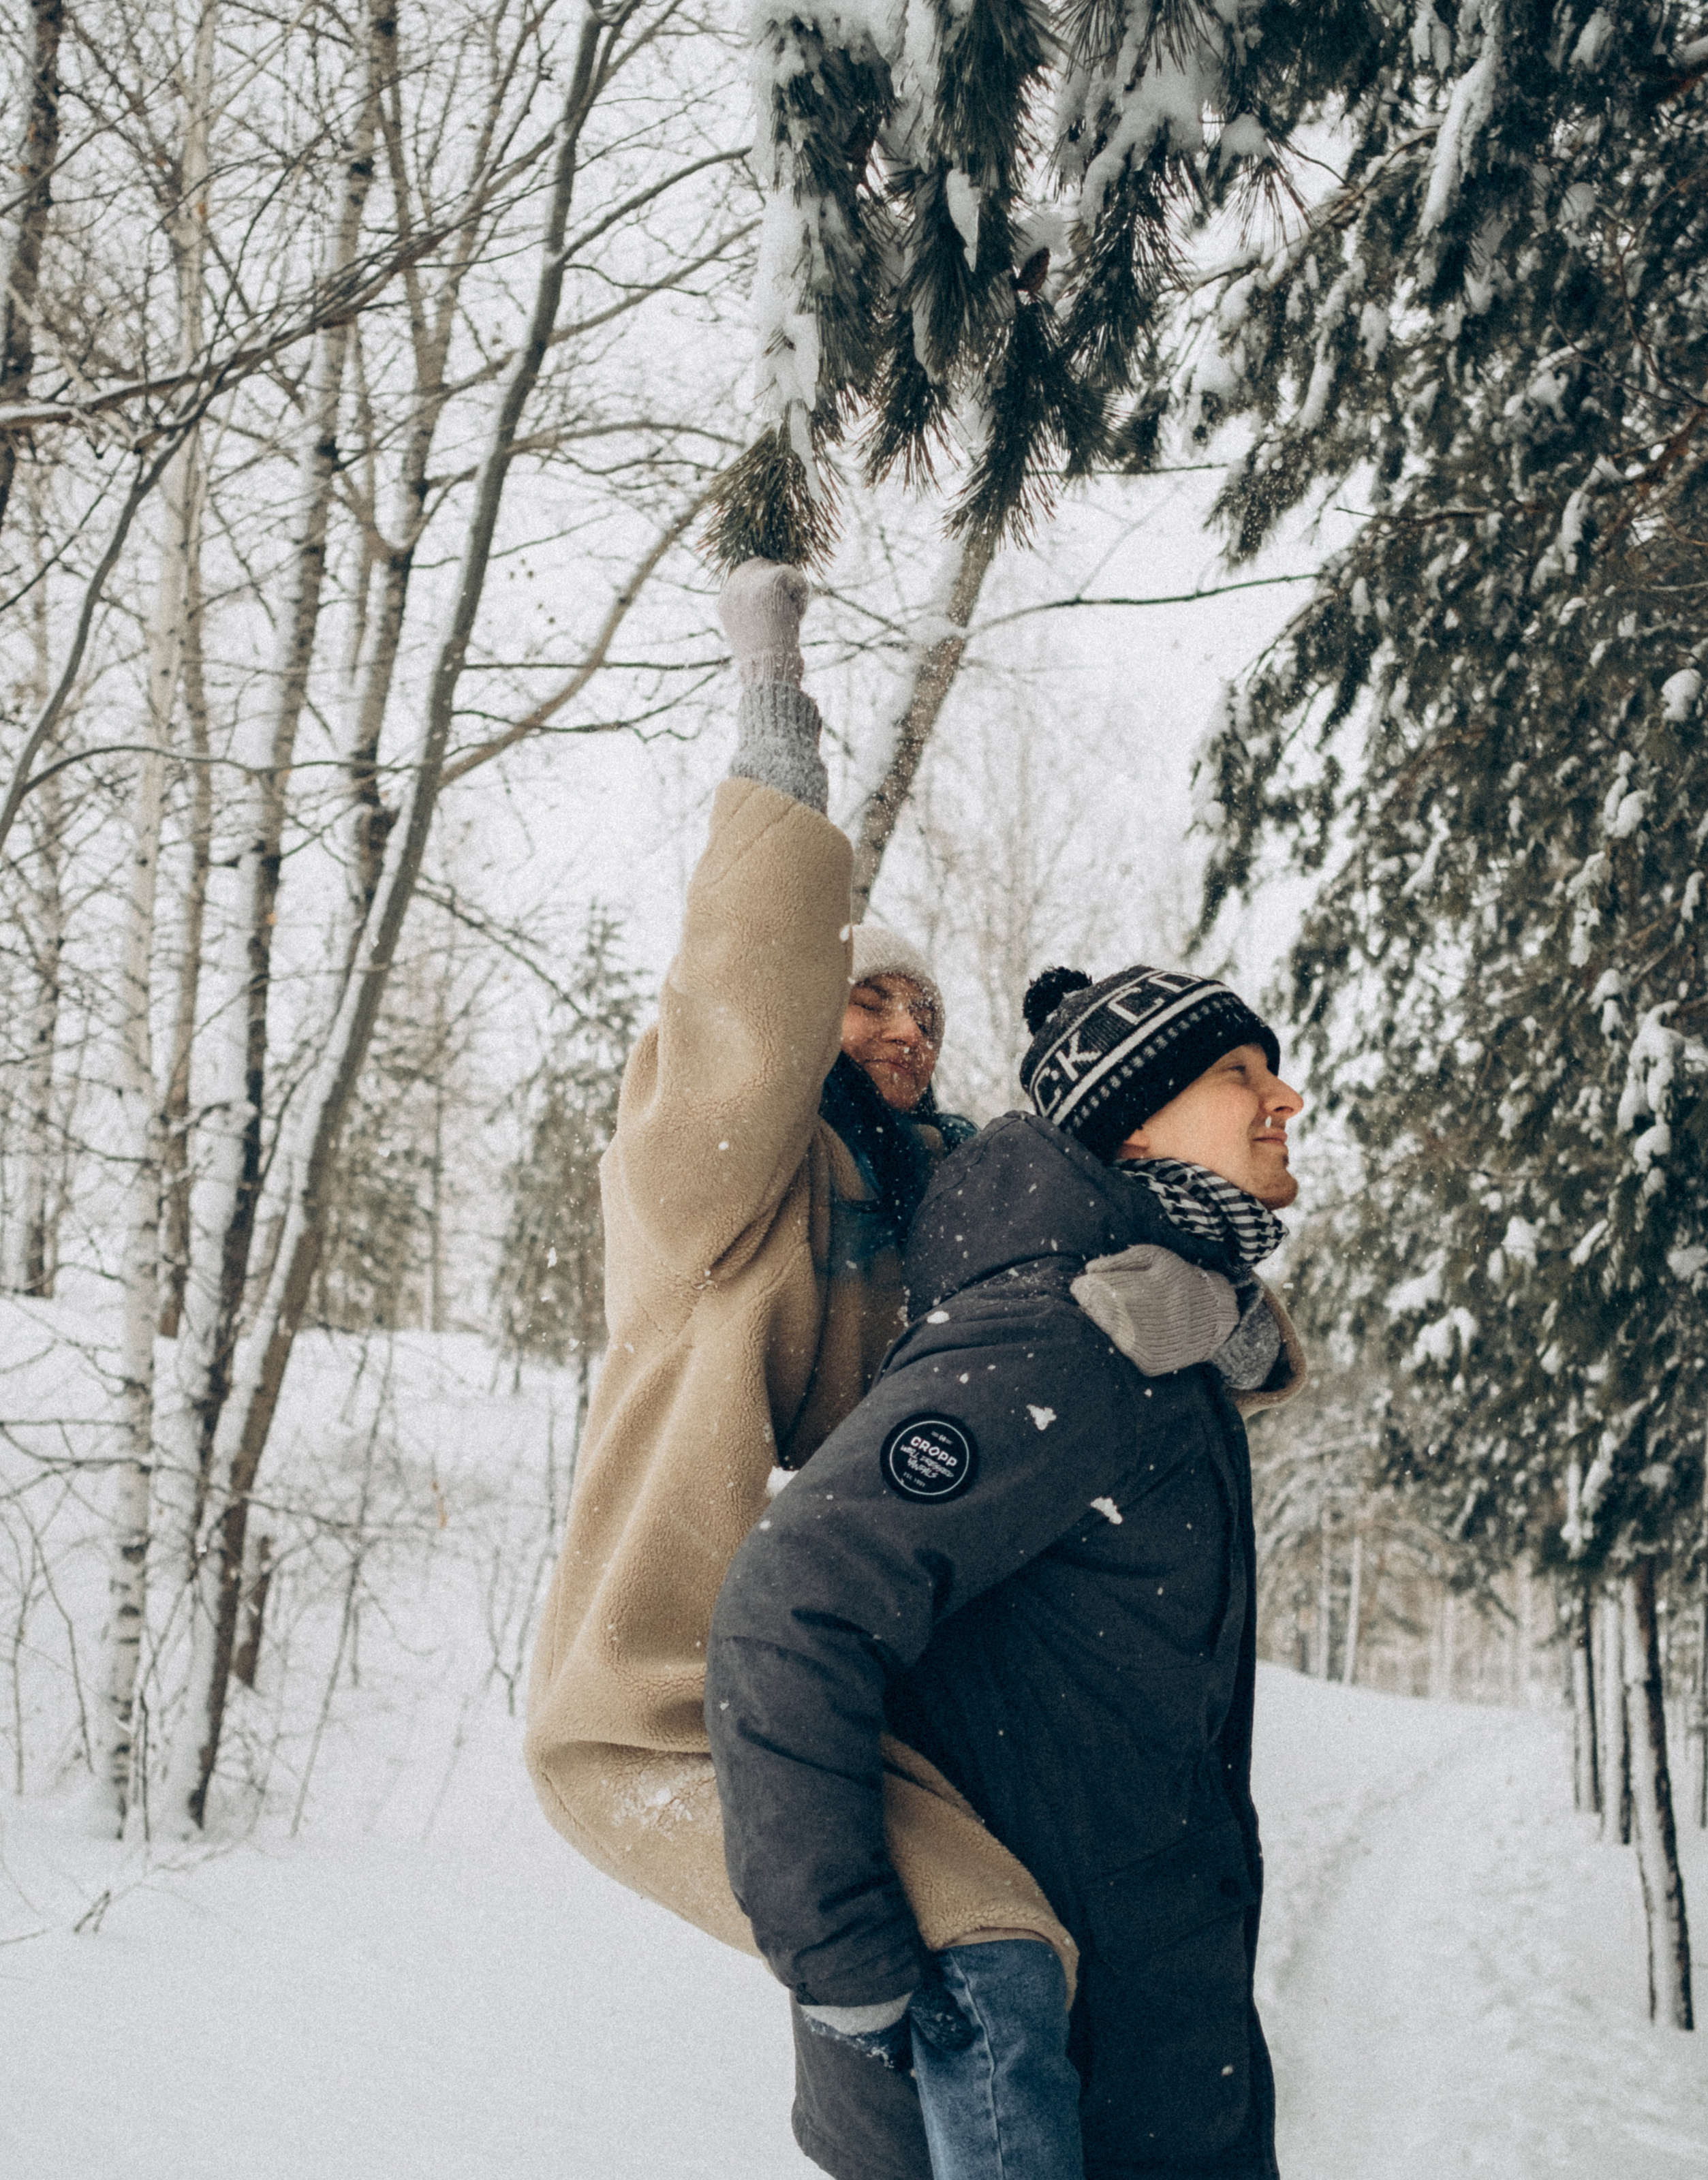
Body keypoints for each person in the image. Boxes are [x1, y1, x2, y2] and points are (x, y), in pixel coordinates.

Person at [523, 562, 1079, 2180]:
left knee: (957, 2018)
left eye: (923, 1007)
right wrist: (776, 719)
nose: (904, 1029)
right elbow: (735, 996)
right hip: (664, 1711)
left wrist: (1224, 1331)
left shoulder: (920, 1216)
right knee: (982, 1964)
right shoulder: (709, 1181)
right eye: (867, 998)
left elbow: (1052, 1355)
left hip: (844, 1702)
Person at [707, 962, 1308, 2180]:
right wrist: (853, 1971)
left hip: (1146, 2050)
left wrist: (1235, 1324)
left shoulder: (1152, 1315)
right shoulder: (1064, 1334)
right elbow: (788, 1609)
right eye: (1238, 1074)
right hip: (1040, 2096)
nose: (1282, 1098)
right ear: (1133, 1123)